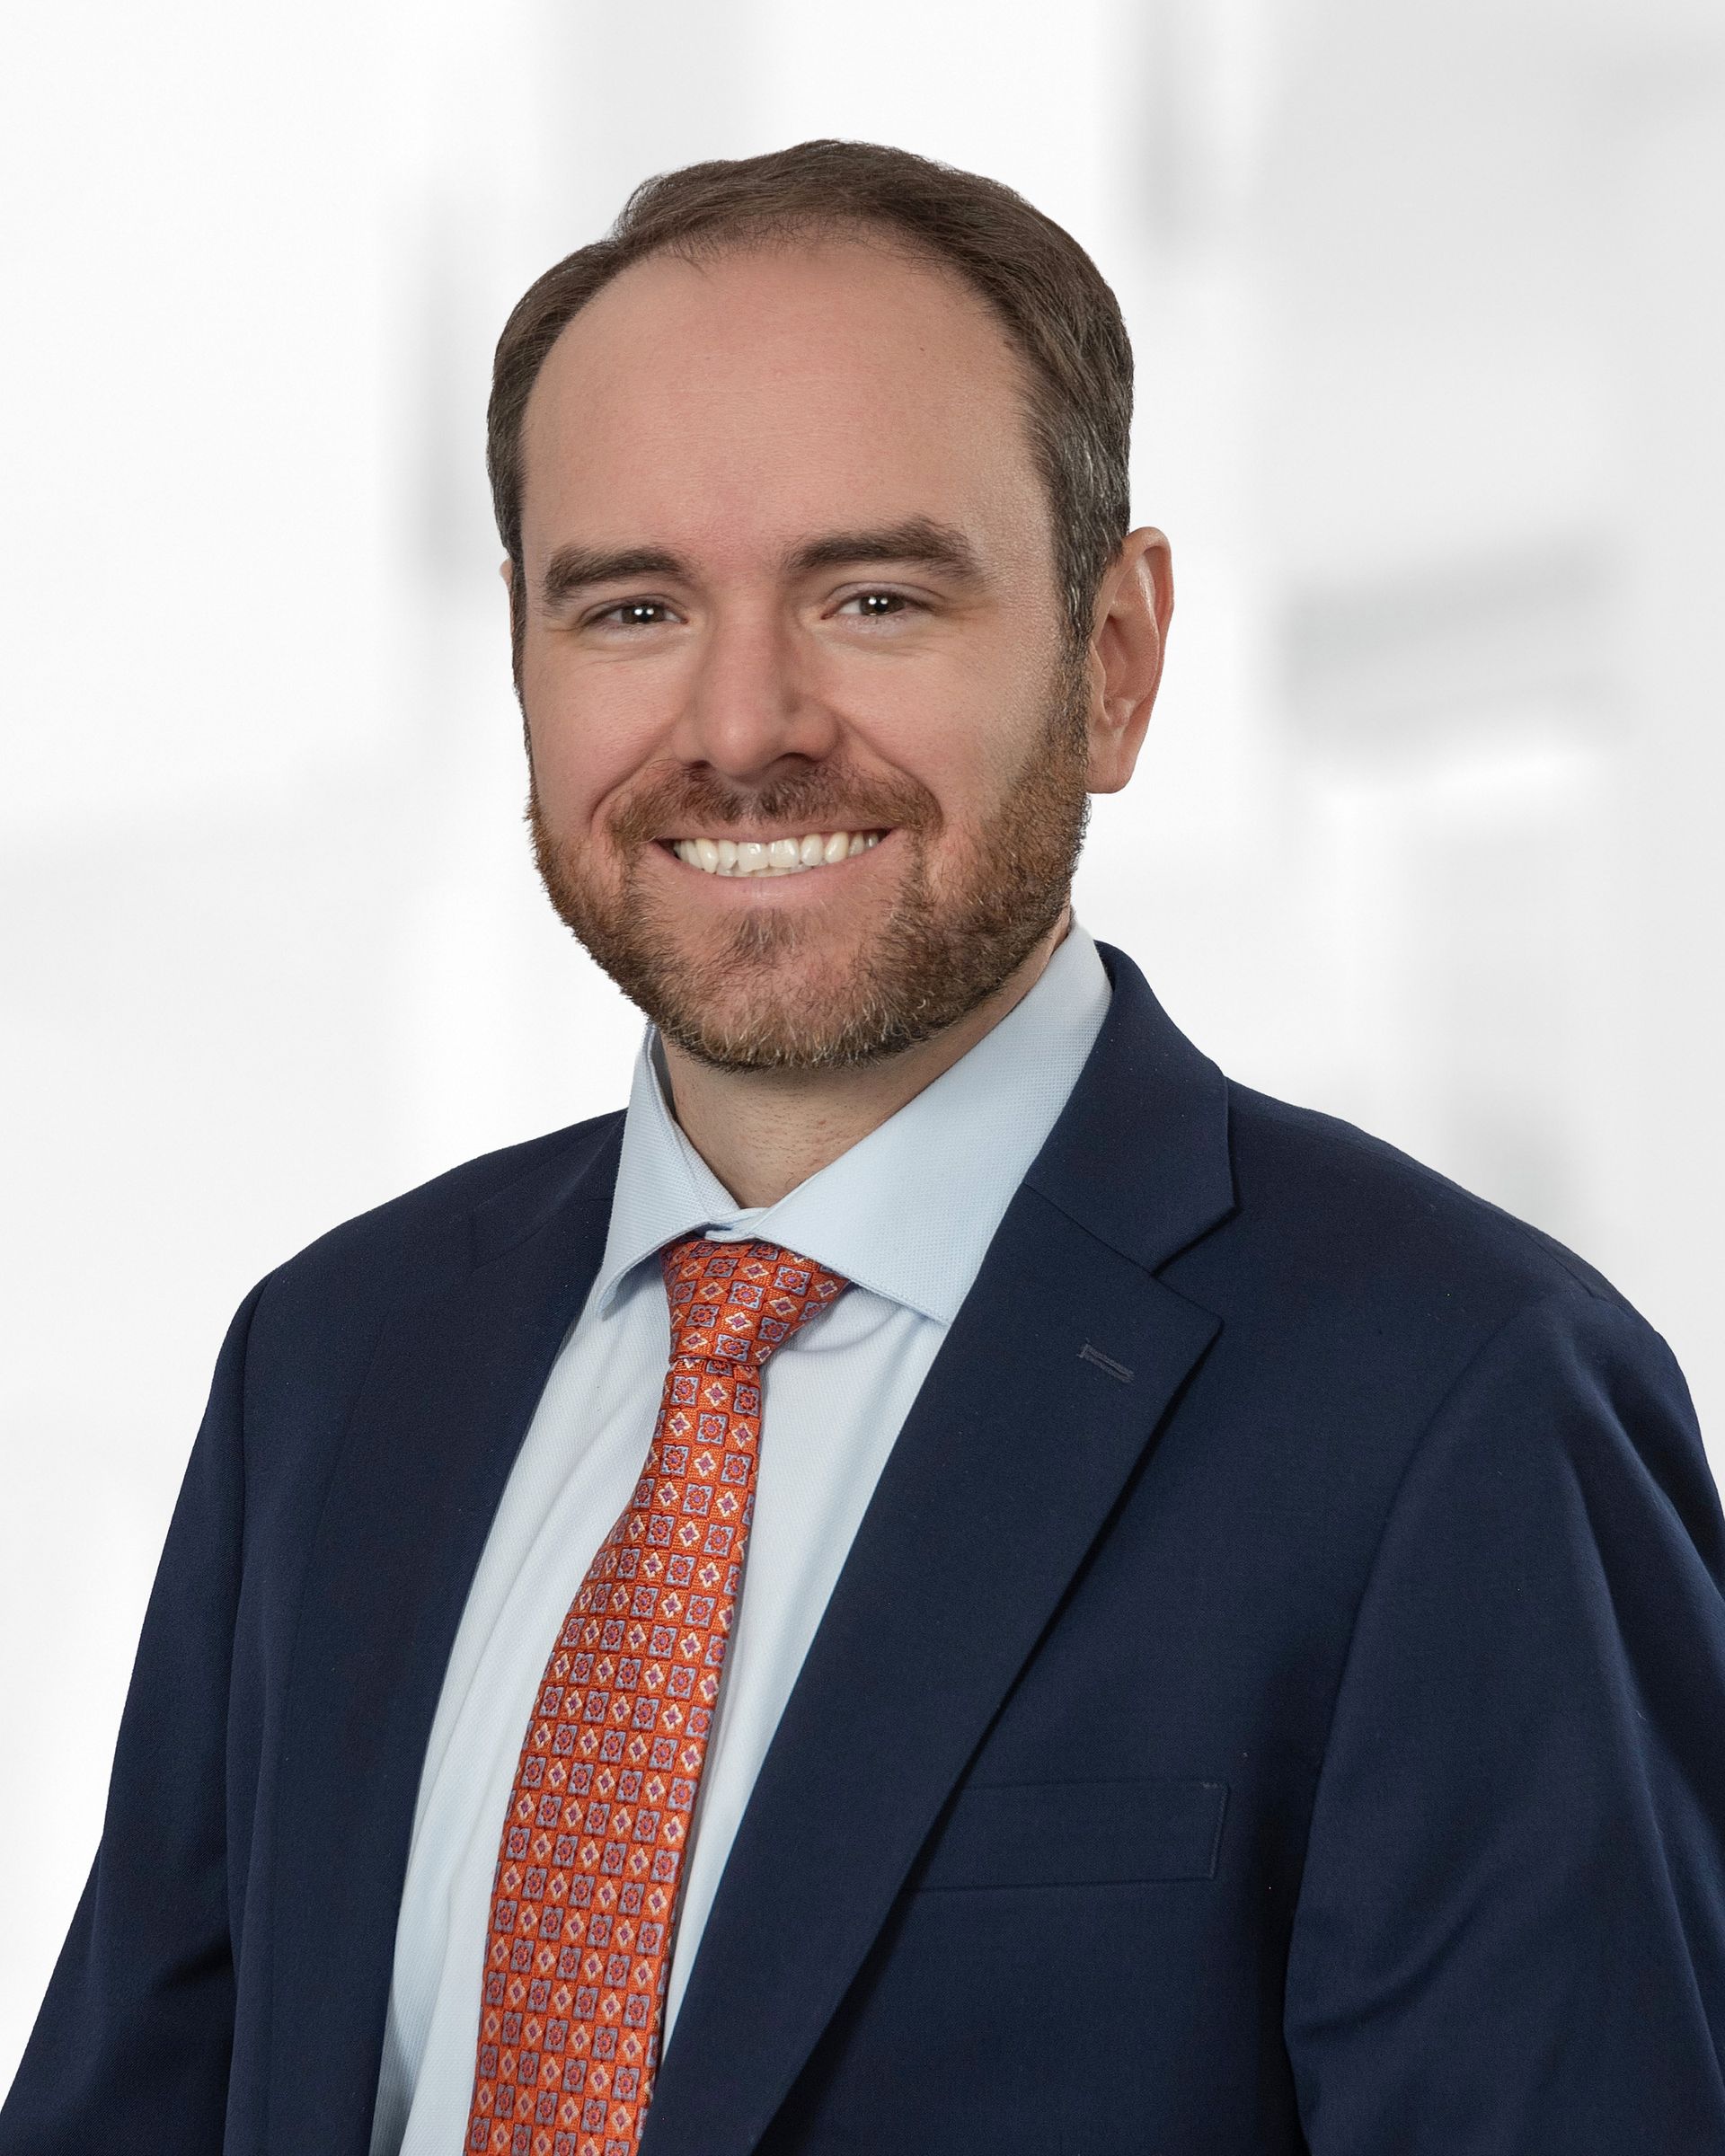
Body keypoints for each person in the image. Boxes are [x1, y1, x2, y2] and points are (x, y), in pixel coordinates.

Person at [4, 137, 1723, 2156]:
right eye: (633, 606)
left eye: (876, 596)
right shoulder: (333, 1362)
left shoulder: (1461, 1404)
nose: (743, 726)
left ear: (1114, 658)